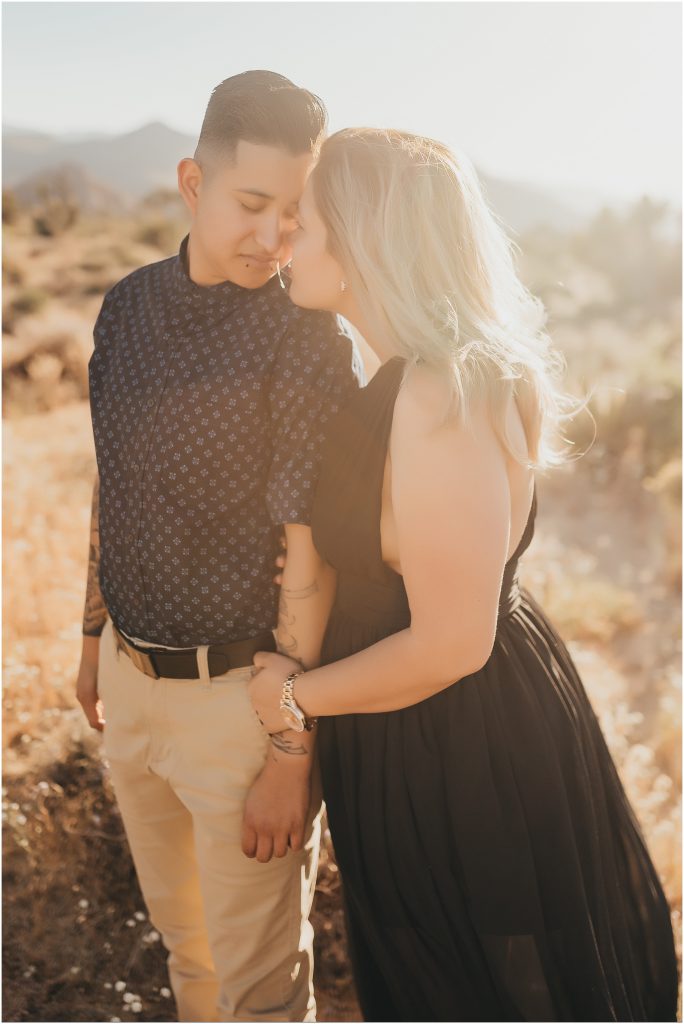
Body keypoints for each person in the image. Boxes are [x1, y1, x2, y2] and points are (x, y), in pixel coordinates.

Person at [248, 128, 678, 1022]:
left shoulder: (440, 392)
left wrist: (293, 703)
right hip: (408, 730)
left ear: (364, 242)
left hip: (453, 745)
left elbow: (450, 641)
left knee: (484, 990)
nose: (289, 239)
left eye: (309, 221)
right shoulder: (407, 376)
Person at [75, 72, 361, 1023]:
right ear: (194, 182)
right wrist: (91, 645)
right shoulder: (125, 308)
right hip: (129, 683)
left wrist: (289, 751)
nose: (274, 238)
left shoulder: (304, 336)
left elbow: (308, 552)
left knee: (258, 987)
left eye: (294, 212)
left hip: (240, 714)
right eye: (252, 204)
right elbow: (109, 484)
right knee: (187, 953)